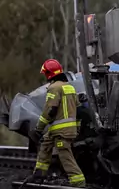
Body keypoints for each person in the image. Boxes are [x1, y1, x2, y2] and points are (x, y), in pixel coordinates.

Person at [29, 59, 86, 187]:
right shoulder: (70, 87)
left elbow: (49, 110)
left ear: (48, 74)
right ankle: (39, 175)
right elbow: (78, 109)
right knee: (46, 144)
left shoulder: (54, 88)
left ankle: (78, 181)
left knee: (65, 155)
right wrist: (77, 128)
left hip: (61, 129)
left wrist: (39, 128)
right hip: (62, 129)